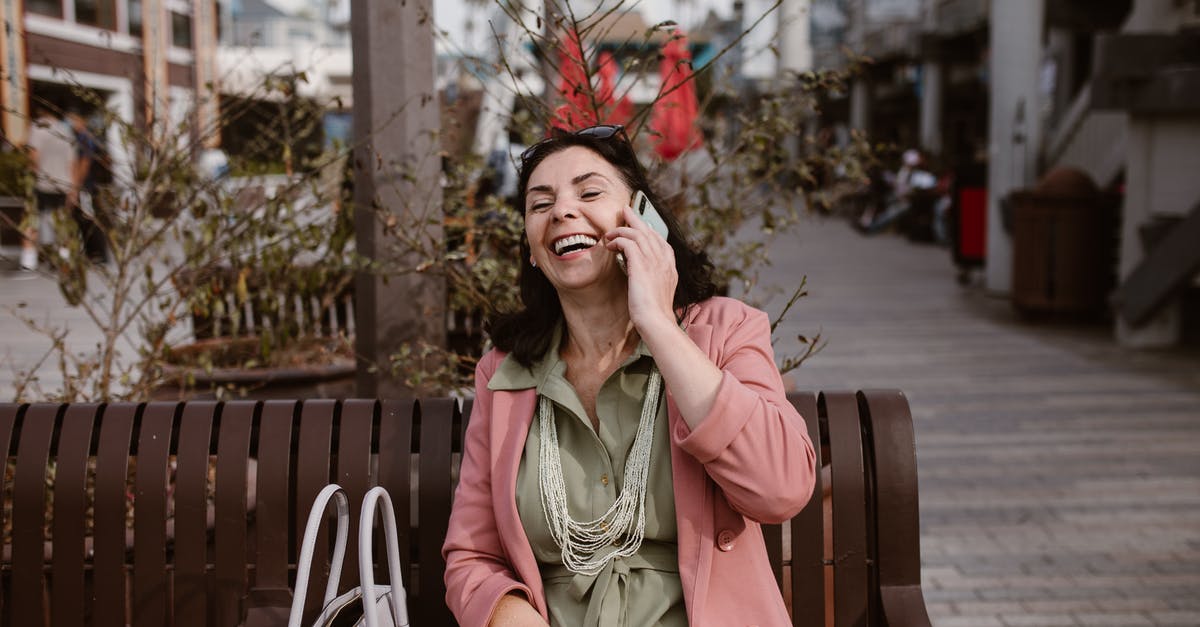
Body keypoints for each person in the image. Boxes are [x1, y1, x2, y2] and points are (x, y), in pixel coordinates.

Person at [442, 124, 817, 626]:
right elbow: (471, 558)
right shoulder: (504, 374)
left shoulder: (726, 331)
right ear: (531, 249)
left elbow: (781, 488)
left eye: (590, 192)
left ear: (644, 220)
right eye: (540, 204)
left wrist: (660, 325)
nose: (562, 212)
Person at [21, 107, 76, 272]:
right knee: (62, 222)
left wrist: (29, 180)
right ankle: (63, 259)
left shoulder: (38, 127)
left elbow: (34, 157)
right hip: (63, 183)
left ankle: (28, 262)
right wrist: (73, 187)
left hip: (41, 183)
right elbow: (71, 162)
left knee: (31, 220)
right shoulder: (66, 130)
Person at [858, 148, 937, 235]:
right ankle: (865, 222)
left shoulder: (923, 174)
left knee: (892, 212)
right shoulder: (905, 171)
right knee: (877, 200)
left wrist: (907, 193)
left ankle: (872, 227)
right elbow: (900, 184)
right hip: (898, 196)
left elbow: (919, 191)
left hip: (909, 201)